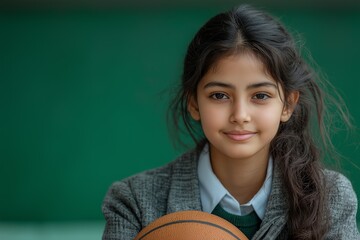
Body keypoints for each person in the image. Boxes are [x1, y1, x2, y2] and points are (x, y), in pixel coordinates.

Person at [102, 4, 359, 239]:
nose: (240, 114)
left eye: (260, 95)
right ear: (194, 103)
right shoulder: (135, 201)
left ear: (288, 104)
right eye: (219, 95)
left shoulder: (330, 198)